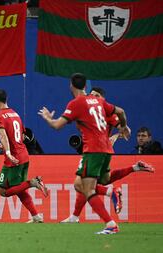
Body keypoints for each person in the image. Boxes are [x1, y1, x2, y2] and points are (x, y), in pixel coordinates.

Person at [38, 73, 132, 234]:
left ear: (71, 85)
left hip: (93, 150)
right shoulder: (99, 101)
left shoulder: (77, 103)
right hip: (106, 149)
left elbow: (57, 125)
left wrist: (47, 118)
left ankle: (110, 224)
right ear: (85, 86)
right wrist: (123, 126)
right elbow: (121, 111)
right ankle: (110, 193)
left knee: (88, 190)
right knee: (89, 182)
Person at [60, 87, 155, 224]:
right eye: (92, 95)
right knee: (103, 179)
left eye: (97, 95)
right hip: (98, 149)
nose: (94, 97)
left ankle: (110, 193)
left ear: (103, 99)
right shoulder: (91, 110)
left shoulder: (107, 111)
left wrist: (120, 131)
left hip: (95, 150)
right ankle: (75, 216)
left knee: (80, 184)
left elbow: (121, 125)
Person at [0, 89, 48, 223]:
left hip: (13, 159)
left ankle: (32, 182)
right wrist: (5, 146)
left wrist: (9, 152)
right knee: (19, 189)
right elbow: (21, 136)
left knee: (3, 191)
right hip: (24, 156)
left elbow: (3, 135)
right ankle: (36, 216)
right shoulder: (15, 114)